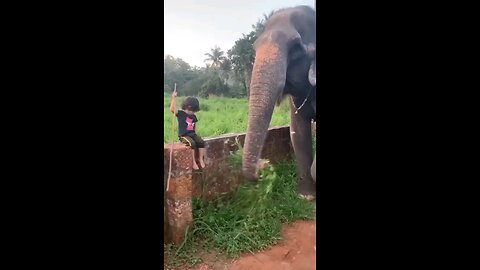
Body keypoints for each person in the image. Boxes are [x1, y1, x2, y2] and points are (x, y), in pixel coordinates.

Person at [169, 90, 206, 170]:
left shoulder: (194, 116)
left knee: (201, 142)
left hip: (192, 134)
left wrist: (196, 135)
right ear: (185, 108)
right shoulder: (181, 113)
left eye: (193, 111)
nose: (191, 112)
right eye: (189, 110)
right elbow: (172, 109)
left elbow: (195, 126)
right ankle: (193, 162)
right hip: (184, 135)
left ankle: (200, 159)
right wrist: (173, 98)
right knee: (192, 143)